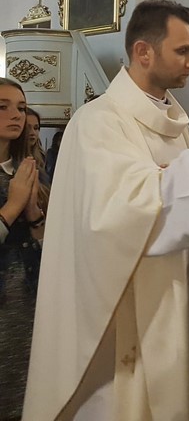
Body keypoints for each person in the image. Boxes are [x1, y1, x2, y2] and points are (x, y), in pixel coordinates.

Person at [23, 0, 189, 421]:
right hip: (121, 313)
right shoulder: (97, 122)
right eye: (183, 51)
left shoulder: (175, 126)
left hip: (174, 301)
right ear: (144, 51)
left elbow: (186, 208)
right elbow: (117, 214)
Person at [0, 79, 46, 420]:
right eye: (2, 107)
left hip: (27, 300)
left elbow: (44, 245)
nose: (16, 115)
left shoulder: (25, 170)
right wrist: (13, 205)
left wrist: (33, 214)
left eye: (20, 107)